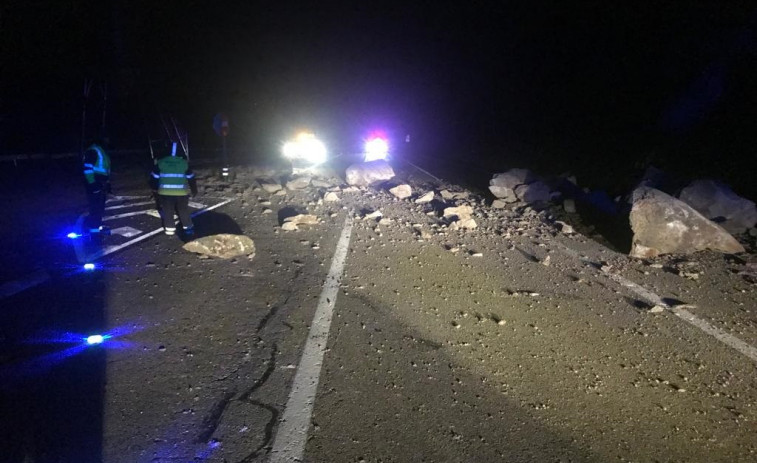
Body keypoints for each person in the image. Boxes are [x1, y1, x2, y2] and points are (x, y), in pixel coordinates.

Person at [149, 141, 197, 236]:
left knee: (168, 211)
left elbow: (154, 177)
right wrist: (194, 189)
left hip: (165, 193)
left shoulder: (161, 162)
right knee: (183, 211)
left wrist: (154, 189)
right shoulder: (183, 163)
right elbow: (191, 177)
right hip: (181, 193)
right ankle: (188, 229)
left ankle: (169, 230)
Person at [82, 138, 111, 233]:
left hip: (100, 182)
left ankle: (96, 227)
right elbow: (87, 168)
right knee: (95, 207)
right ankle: (94, 231)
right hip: (95, 181)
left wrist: (107, 183)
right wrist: (93, 184)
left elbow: (106, 169)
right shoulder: (94, 150)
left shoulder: (101, 151)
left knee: (99, 207)